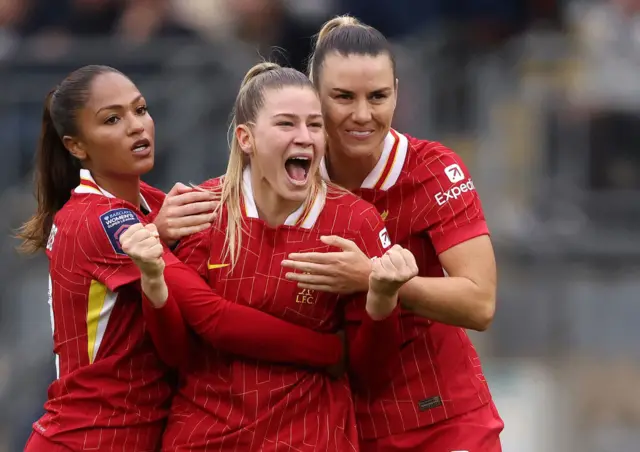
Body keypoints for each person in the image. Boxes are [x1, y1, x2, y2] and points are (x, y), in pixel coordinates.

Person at [17, 64, 358, 452]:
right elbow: (211, 316)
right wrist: (332, 351)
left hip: (133, 434)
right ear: (76, 146)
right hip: (88, 437)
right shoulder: (100, 220)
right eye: (112, 119)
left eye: (140, 110)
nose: (136, 126)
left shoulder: (157, 205)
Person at [119, 61, 418, 451]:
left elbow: (372, 374)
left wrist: (382, 300)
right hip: (204, 437)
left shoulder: (353, 221)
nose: (305, 137)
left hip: (308, 438)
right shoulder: (204, 210)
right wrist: (153, 279)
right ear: (246, 138)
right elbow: (179, 353)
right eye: (286, 124)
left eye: (314, 125)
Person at [280, 16, 504, 452]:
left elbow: (480, 303)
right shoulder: (289, 177)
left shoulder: (433, 169)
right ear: (313, 96)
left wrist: (372, 280)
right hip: (339, 424)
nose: (362, 115)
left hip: (442, 420)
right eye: (343, 97)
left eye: (378, 97)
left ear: (397, 93)